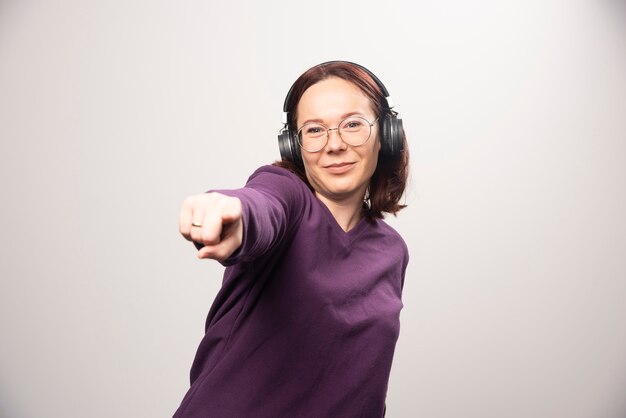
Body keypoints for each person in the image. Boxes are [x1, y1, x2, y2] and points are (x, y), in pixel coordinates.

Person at [174, 61, 410, 418]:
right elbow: (261, 206)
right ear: (295, 145)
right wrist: (231, 216)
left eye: (352, 125)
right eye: (315, 130)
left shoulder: (391, 251)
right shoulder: (287, 195)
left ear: (386, 135)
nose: (334, 144)